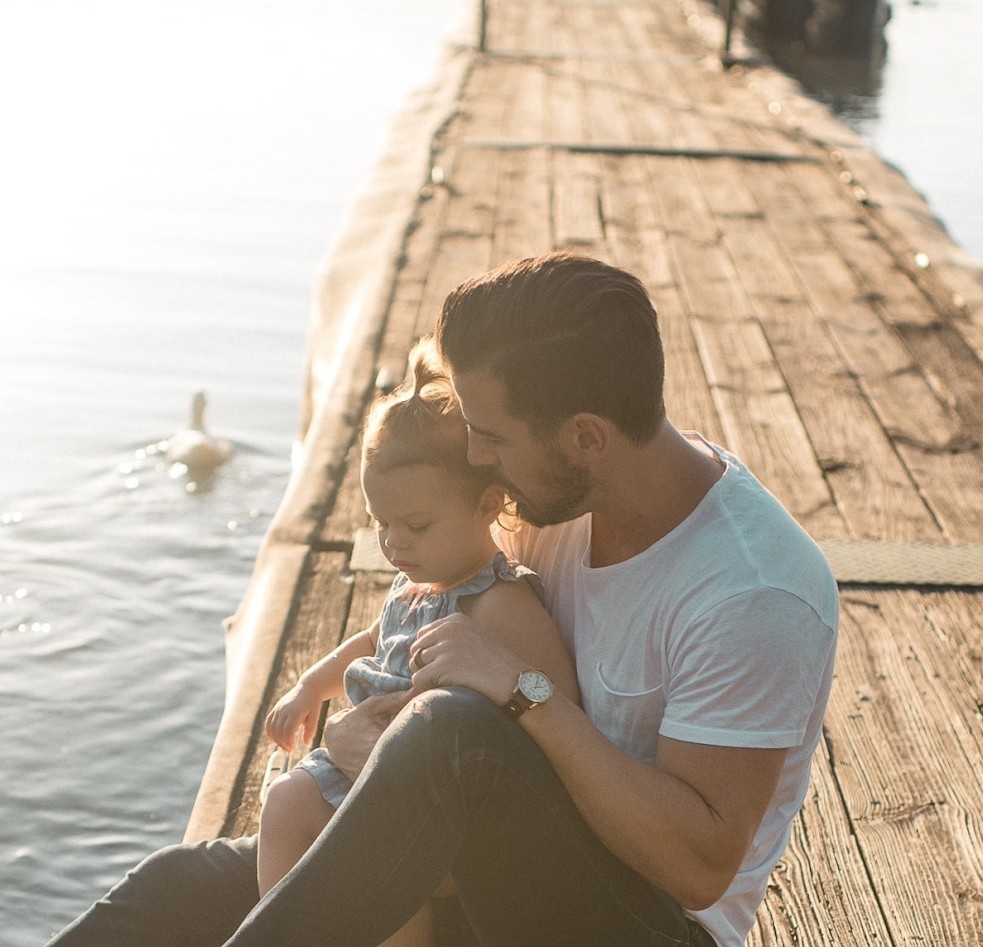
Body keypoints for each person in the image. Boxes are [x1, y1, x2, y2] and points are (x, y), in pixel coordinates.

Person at [46, 252, 838, 947]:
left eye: (490, 435)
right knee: (178, 893)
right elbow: (432, 620)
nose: (471, 455)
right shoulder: (550, 503)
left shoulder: (753, 592)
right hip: (480, 867)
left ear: (586, 437)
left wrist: (518, 695)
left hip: (639, 925)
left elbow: (696, 868)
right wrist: (382, 752)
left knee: (451, 731)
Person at [255, 341, 580, 947]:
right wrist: (308, 687)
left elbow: (560, 705)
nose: (394, 544)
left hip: (441, 794)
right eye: (380, 524)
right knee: (285, 805)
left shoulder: (500, 602)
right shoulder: (416, 587)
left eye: (416, 525)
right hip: (375, 767)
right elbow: (368, 642)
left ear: (488, 505)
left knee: (318, 819)